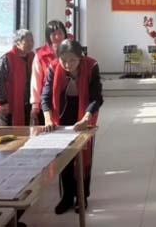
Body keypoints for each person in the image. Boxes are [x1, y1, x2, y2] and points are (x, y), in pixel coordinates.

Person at [42, 39, 103, 215]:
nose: (68, 65)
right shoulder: (54, 67)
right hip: (62, 112)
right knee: (64, 156)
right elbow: (46, 95)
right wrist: (48, 119)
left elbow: (96, 97)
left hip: (84, 111)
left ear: (80, 58)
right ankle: (67, 197)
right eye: (64, 60)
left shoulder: (91, 66)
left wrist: (86, 118)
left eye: (72, 60)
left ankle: (82, 196)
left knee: (82, 155)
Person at [0, 29, 35, 126]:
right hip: (8, 103)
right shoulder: (7, 58)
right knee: (8, 130)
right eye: (27, 41)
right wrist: (3, 102)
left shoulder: (32, 57)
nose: (31, 43)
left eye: (32, 40)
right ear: (17, 42)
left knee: (24, 129)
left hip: (25, 103)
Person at [31, 20, 68, 125]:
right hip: (47, 98)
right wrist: (35, 103)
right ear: (48, 36)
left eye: (60, 33)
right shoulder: (41, 55)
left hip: (68, 97)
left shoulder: (72, 50)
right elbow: (36, 81)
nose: (58, 37)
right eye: (54, 34)